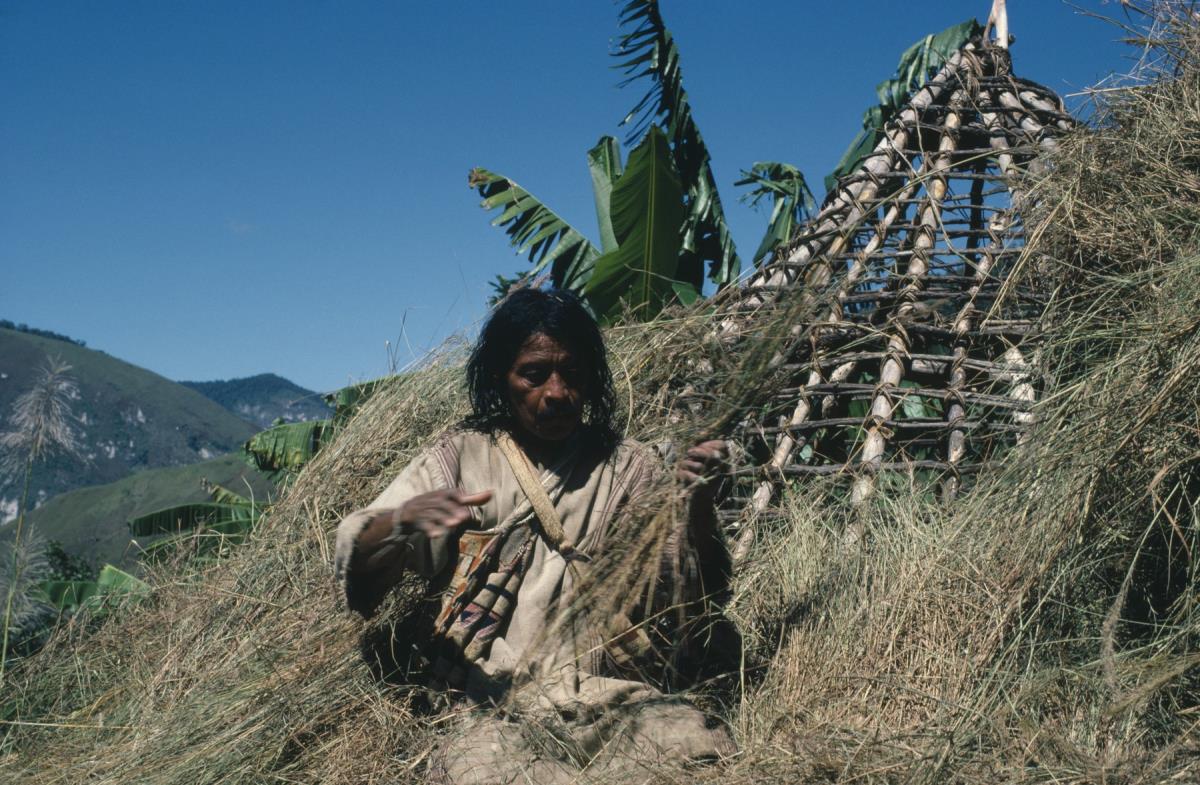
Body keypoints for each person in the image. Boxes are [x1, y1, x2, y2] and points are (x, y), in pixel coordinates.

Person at [334, 288, 735, 783]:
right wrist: (402, 522)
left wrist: (697, 502)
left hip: (607, 695)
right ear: (502, 379)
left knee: (694, 749)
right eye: (534, 373)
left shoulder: (630, 469)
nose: (556, 392)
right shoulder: (463, 457)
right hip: (490, 704)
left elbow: (691, 596)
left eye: (571, 373)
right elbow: (359, 563)